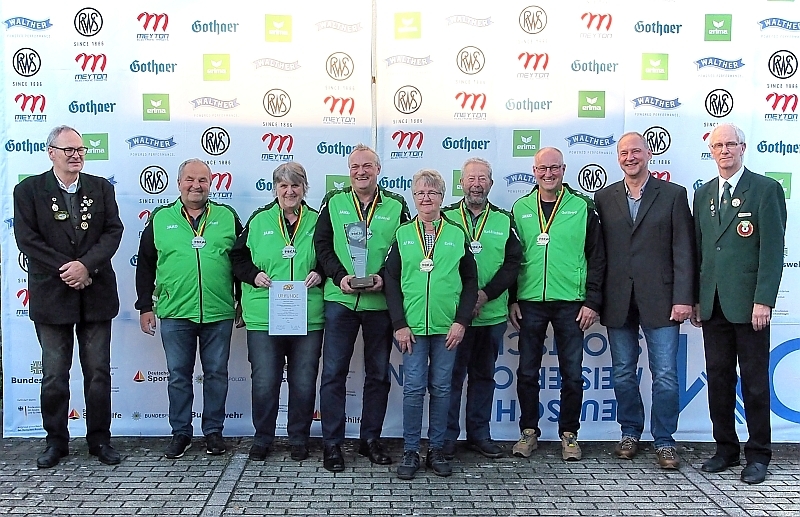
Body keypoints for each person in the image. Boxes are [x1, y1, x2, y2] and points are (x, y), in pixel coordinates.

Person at [13, 125, 124, 469]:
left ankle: (100, 440)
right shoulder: (29, 190)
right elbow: (27, 239)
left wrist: (86, 266)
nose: (76, 155)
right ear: (51, 153)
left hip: (96, 293)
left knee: (98, 372)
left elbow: (113, 231)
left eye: (80, 149)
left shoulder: (101, 188)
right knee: (54, 375)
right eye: (68, 150)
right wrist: (68, 268)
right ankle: (56, 442)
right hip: (52, 296)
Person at [690, 123, 787, 484]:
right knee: (718, 378)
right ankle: (726, 449)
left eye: (731, 144)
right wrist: (698, 299)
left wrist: (764, 300)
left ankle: (758, 455)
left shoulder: (765, 189)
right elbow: (700, 251)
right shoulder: (703, 194)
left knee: (755, 382)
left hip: (749, 306)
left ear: (743, 148)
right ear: (711, 151)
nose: (725, 150)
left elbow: (772, 251)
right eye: (718, 145)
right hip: (713, 304)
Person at [595, 132, 695, 469]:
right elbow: (600, 253)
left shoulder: (673, 194)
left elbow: (684, 249)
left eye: (636, 151)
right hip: (618, 298)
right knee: (623, 373)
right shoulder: (604, 197)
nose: (630, 157)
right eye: (624, 153)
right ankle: (630, 432)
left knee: (665, 374)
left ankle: (665, 441)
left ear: (648, 154)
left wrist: (684, 298)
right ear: (618, 158)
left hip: (662, 299)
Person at [135, 158, 243, 459]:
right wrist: (145, 306)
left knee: (216, 375)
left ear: (211, 183)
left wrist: (242, 301)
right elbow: (145, 264)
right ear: (179, 183)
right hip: (175, 311)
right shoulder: (160, 218)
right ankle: (181, 433)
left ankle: (213, 432)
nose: (196, 185)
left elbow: (241, 261)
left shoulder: (227, 216)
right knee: (179, 376)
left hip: (218, 311)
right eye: (190, 180)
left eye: (203, 180)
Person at [314, 143, 410, 472]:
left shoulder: (396, 204)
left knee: (378, 374)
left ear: (378, 169)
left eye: (367, 166)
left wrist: (384, 276)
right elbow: (321, 244)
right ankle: (332, 443)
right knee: (333, 374)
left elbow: (404, 248)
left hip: (379, 304)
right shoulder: (334, 201)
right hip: (340, 300)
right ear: (349, 171)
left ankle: (370, 439)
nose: (361, 172)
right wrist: (338, 276)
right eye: (355, 167)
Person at [509, 147, 605, 462]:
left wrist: (592, 301)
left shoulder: (581, 207)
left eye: (554, 168)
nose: (548, 174)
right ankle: (529, 432)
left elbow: (597, 257)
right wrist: (512, 298)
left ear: (563, 170)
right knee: (527, 372)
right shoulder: (520, 208)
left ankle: (569, 435)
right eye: (542, 168)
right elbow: (512, 258)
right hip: (531, 302)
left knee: (572, 374)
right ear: (534, 172)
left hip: (571, 303)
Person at [385, 169, 478, 479]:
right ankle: (411, 451)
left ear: (442, 197)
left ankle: (436, 449)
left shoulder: (456, 233)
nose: (426, 198)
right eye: (420, 193)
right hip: (411, 329)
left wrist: (461, 321)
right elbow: (391, 280)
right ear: (414, 197)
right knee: (413, 389)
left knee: (441, 389)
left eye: (432, 193)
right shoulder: (402, 234)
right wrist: (399, 323)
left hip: (446, 328)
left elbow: (470, 281)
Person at [230, 162, 324, 462]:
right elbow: (237, 258)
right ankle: (263, 438)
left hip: (307, 315)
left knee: (304, 380)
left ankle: (298, 438)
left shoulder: (318, 221)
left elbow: (332, 256)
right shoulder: (259, 220)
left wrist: (321, 272)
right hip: (265, 316)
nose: (290, 191)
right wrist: (253, 275)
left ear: (304, 188)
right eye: (283, 185)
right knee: (264, 381)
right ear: (275, 189)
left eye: (295, 185)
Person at [441, 158, 521, 460]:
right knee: (450, 379)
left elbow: (513, 264)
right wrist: (464, 302)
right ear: (461, 183)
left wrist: (485, 295)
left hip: (491, 314)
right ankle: (446, 437)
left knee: (484, 376)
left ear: (491, 183)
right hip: (453, 317)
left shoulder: (504, 219)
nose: (476, 184)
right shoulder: (445, 217)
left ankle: (479, 435)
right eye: (471, 179)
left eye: (482, 178)